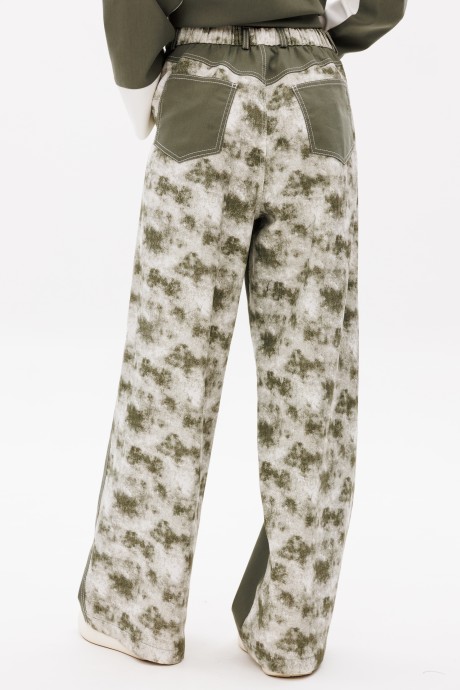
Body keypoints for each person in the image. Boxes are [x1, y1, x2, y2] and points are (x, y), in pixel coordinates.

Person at [77, 0, 407, 678]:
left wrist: (142, 87)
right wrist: (308, 33)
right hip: (315, 100)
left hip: (204, 92)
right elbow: (383, 3)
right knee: (314, 388)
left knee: (169, 375)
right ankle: (291, 632)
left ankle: (137, 615)